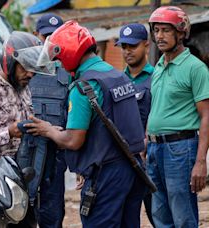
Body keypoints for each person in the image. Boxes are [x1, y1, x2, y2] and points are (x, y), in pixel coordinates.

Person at [25, 21, 146, 227]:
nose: (60, 64)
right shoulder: (117, 76)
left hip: (106, 175)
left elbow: (73, 140)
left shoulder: (84, 87)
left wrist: (48, 130)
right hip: (133, 169)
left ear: (70, 53)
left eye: (60, 58)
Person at [0, 31, 54, 227]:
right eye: (25, 68)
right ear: (9, 62)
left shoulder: (24, 88)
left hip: (21, 178)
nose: (31, 74)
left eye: (33, 68)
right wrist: (8, 132)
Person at [146, 6, 209, 227]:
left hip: (181, 149)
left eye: (166, 30)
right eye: (156, 30)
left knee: (183, 217)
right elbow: (158, 109)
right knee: (160, 216)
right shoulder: (159, 67)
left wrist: (201, 161)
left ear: (181, 33)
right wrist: (148, 140)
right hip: (155, 148)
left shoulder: (195, 68)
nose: (159, 36)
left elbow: (206, 116)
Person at [30, 13, 69, 228]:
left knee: (52, 212)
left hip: (56, 154)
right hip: (26, 152)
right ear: (36, 36)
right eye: (46, 36)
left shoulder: (70, 71)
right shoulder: (23, 68)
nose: (50, 42)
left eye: (55, 37)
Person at [116, 23, 155, 226]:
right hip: (122, 162)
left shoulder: (157, 78)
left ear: (146, 46)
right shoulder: (116, 81)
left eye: (133, 46)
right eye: (124, 46)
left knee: (158, 215)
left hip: (150, 159)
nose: (127, 51)